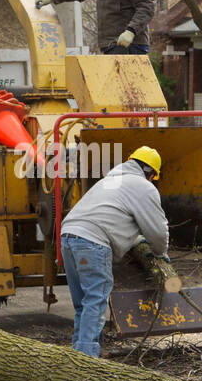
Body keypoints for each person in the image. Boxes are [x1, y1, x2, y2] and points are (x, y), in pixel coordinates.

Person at [59, 146, 169, 357]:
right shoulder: (143, 187)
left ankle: (77, 353)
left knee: (83, 303)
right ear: (151, 173)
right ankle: (87, 360)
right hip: (92, 241)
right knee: (95, 300)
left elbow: (111, 215)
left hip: (68, 236)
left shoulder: (109, 181)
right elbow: (157, 230)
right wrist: (159, 251)